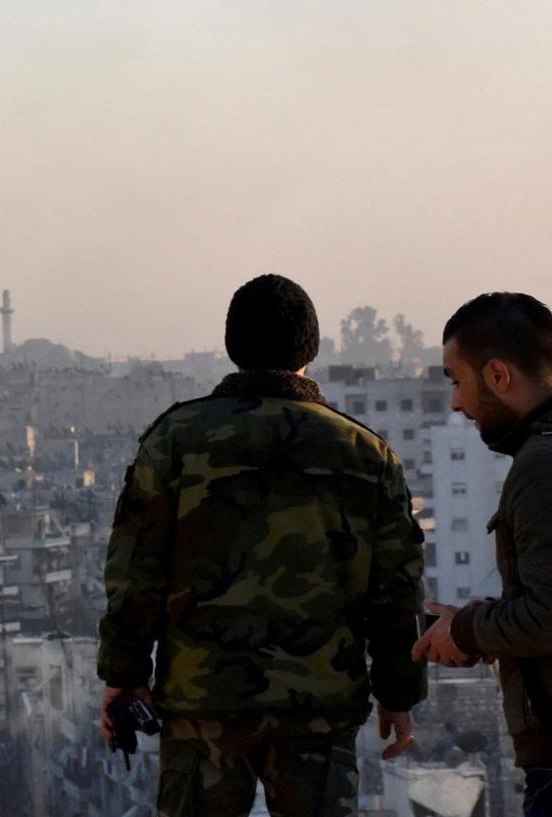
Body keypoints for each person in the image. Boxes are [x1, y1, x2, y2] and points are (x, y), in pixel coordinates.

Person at [98, 274, 425, 817]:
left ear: (233, 346)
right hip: (319, 706)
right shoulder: (364, 452)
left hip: (203, 702)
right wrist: (400, 693)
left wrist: (124, 675)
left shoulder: (176, 438)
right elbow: (396, 590)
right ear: (311, 348)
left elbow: (136, 570)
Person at [413, 294, 552, 815]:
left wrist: (465, 631)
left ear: (499, 375)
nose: (457, 403)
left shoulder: (547, 464)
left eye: (457, 381)